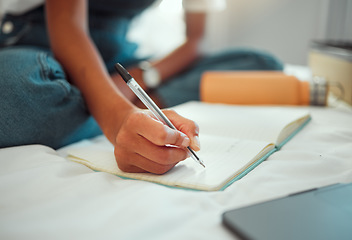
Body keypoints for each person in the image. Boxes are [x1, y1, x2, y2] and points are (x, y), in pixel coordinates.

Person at [0, 0, 282, 174]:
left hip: (117, 59)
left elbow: (198, 40)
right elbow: (66, 23)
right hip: (43, 48)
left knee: (258, 63)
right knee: (16, 92)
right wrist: (117, 117)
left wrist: (142, 77)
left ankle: (120, 102)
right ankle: (119, 106)